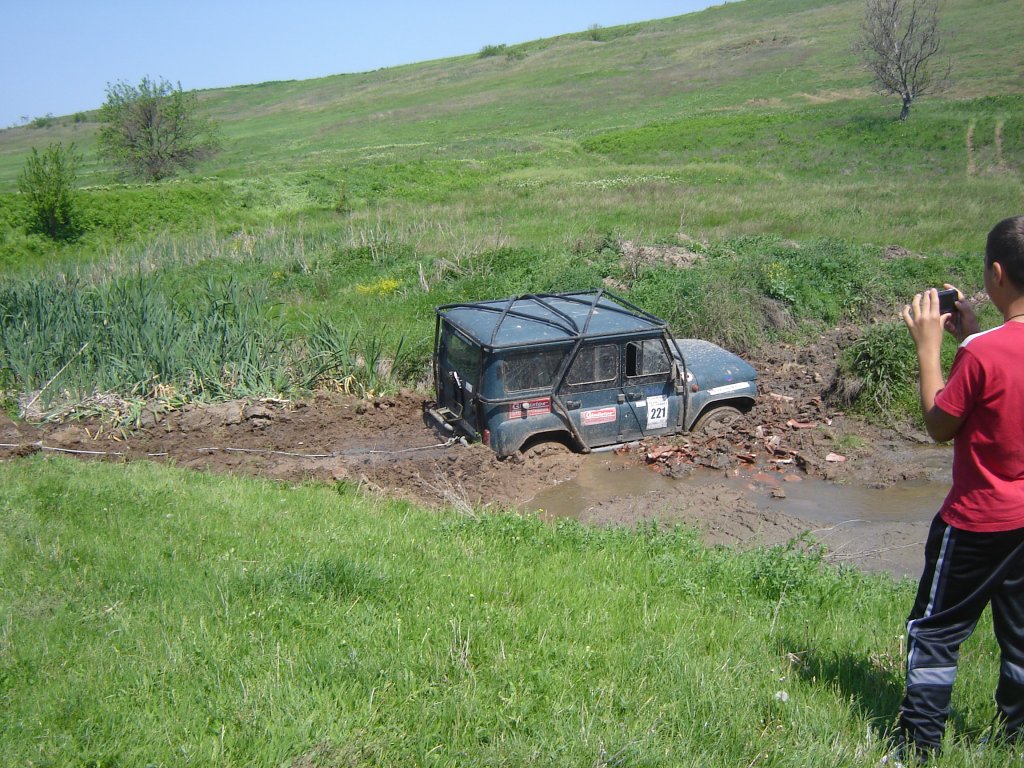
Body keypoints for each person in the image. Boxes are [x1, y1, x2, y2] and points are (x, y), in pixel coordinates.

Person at [895, 215, 1024, 760]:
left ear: (995, 274)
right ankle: (1015, 732)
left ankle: (920, 744)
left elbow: (939, 424)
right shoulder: (986, 346)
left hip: (973, 522)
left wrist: (930, 347)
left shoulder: (978, 355)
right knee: (1019, 632)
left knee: (936, 631)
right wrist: (973, 331)